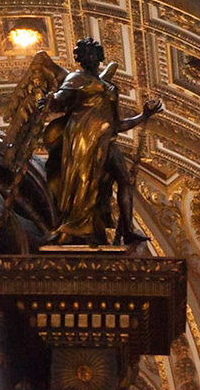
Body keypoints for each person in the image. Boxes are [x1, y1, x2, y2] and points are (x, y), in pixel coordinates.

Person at [40, 39, 163, 245]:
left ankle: (128, 230)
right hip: (83, 138)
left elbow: (117, 124)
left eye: (91, 53)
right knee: (85, 182)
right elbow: (61, 98)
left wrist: (144, 115)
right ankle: (74, 226)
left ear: (98, 56)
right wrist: (50, 100)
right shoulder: (76, 77)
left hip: (106, 139)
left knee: (124, 180)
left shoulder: (109, 87)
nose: (88, 57)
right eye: (84, 54)